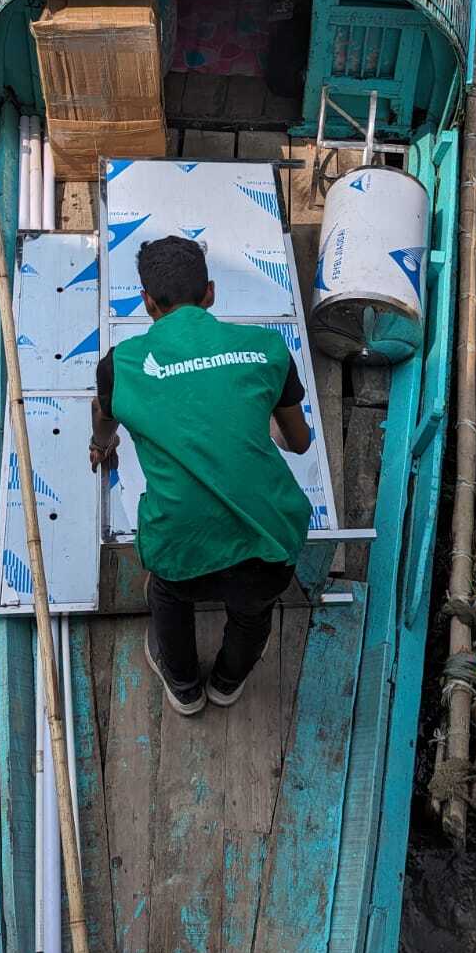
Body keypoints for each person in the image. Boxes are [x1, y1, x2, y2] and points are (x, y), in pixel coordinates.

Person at [90, 234, 313, 715]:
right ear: (209, 294)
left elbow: (103, 416)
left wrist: (100, 443)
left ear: (147, 301)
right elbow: (299, 442)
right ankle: (228, 684)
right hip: (271, 544)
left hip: (181, 548)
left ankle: (185, 689)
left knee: (167, 593)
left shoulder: (120, 366)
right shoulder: (267, 350)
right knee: (254, 613)